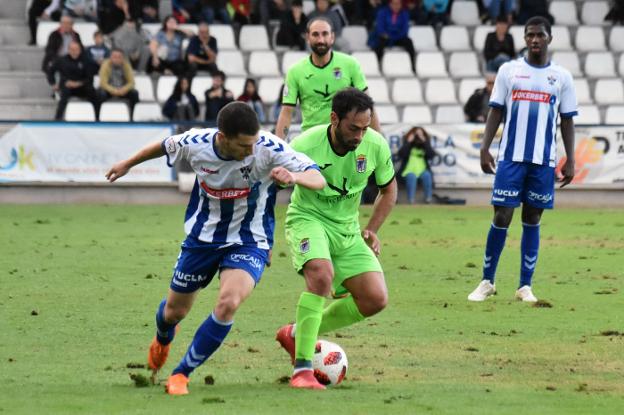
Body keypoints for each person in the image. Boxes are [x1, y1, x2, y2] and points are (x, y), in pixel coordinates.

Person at [105, 102, 325, 395]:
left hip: (250, 240)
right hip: (201, 240)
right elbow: (161, 145)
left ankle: (181, 373)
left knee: (228, 302)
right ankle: (162, 337)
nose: (251, 151)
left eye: (253, 143)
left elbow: (317, 177)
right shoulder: (197, 143)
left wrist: (294, 177)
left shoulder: (268, 147)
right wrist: (126, 164)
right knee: (173, 312)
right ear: (222, 137)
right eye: (243, 146)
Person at [275, 88, 397, 389]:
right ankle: (302, 371)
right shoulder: (305, 144)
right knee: (321, 275)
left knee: (375, 299)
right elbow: (269, 183)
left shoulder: (375, 146)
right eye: (353, 128)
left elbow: (389, 190)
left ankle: (296, 334)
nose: (359, 136)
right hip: (308, 219)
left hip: (347, 230)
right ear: (334, 119)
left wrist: (372, 229)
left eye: (364, 128)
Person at [467, 16, 577, 303]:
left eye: (540, 35)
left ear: (549, 38)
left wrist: (571, 159)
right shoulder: (509, 70)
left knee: (532, 217)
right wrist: (484, 147)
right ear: (525, 38)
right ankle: (487, 281)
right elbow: (495, 110)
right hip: (511, 158)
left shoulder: (561, 77)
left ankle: (524, 286)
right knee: (501, 215)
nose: (535, 40)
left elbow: (567, 121)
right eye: (530, 35)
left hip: (543, 161)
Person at [275, 17, 380, 139]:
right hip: (311, 140)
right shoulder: (295, 71)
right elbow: (286, 112)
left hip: (343, 140)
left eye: (325, 34)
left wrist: (379, 143)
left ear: (332, 37)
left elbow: (368, 105)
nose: (321, 39)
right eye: (315, 34)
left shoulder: (350, 64)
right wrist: (279, 147)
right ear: (307, 38)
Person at [47, 40, 100, 120]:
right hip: (67, 86)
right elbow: (51, 71)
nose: (74, 52)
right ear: (68, 50)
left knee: (93, 92)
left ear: (80, 50)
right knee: (64, 94)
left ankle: (97, 118)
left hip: (82, 86)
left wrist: (78, 83)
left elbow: (90, 78)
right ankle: (58, 118)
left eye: (76, 49)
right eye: (72, 49)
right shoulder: (62, 60)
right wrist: (53, 83)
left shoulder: (86, 61)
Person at [367, 0, 416, 73]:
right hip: (385, 37)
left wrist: (392, 37)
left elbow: (404, 30)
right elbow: (380, 28)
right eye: (394, 4)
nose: (396, 6)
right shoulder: (382, 12)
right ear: (390, 4)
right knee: (379, 44)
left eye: (398, 4)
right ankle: (377, 66)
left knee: (409, 42)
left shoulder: (404, 13)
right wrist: (385, 35)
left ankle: (413, 66)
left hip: (398, 37)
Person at [396, 126, 436, 204]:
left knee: (427, 175)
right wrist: (408, 142)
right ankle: (411, 200)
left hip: (422, 170)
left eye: (420, 134)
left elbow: (431, 155)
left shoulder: (425, 145)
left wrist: (425, 142)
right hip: (408, 170)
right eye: (416, 134)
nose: (418, 137)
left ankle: (428, 198)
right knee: (411, 176)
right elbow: (401, 154)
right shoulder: (408, 144)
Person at [98, 48, 139, 120]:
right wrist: (114, 91)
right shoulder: (105, 64)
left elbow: (132, 82)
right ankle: (98, 117)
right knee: (100, 94)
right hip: (109, 90)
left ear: (122, 58)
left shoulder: (126, 65)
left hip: (122, 90)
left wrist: (124, 89)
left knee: (134, 93)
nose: (116, 59)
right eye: (114, 57)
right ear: (110, 57)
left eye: (119, 57)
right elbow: (103, 83)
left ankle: (133, 117)